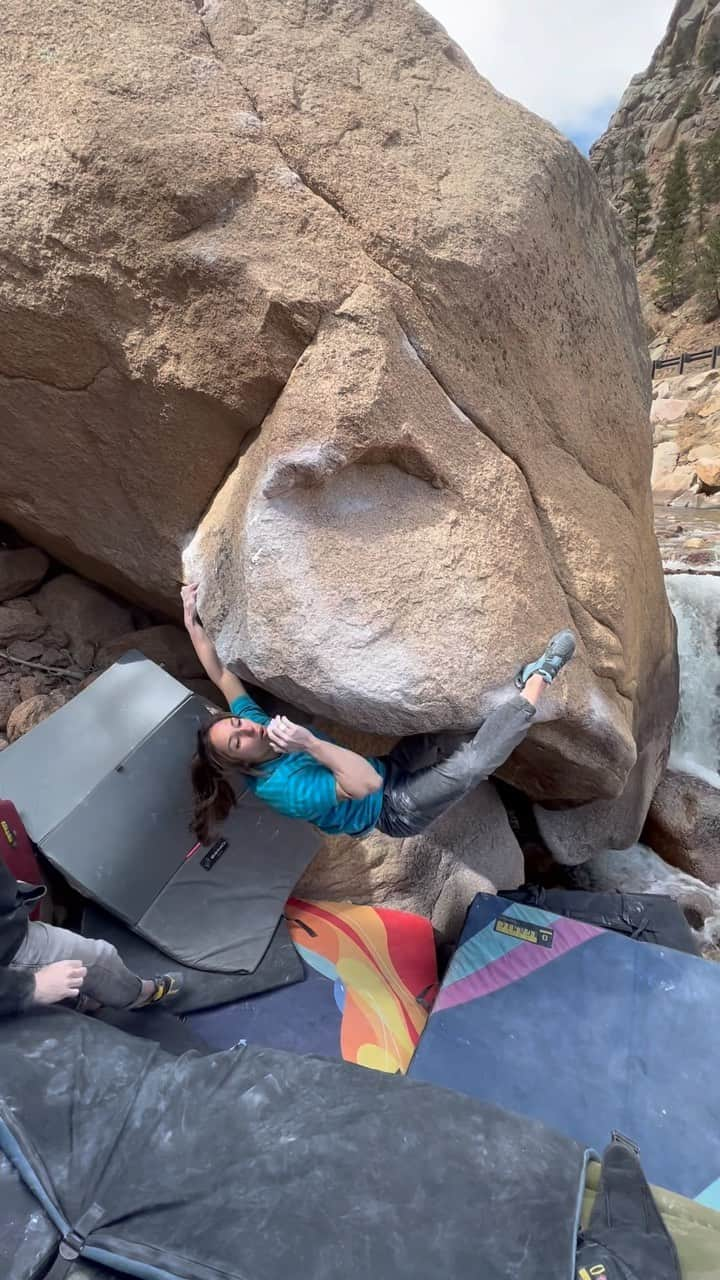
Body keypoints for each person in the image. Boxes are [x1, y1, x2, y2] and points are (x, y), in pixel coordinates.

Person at [182, 583, 576, 845]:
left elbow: (221, 674)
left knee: (447, 734)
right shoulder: (285, 791)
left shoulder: (260, 727)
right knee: (470, 766)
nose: (248, 728)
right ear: (242, 763)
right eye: (239, 740)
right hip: (392, 808)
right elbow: (366, 783)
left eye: (238, 723)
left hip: (388, 767)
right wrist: (309, 743)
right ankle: (541, 678)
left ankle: (517, 686)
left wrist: (192, 620)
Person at [0, 855, 182, 1018]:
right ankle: (141, 995)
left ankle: (83, 1002)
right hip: (9, 945)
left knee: (69, 984)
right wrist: (33, 986)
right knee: (100, 959)